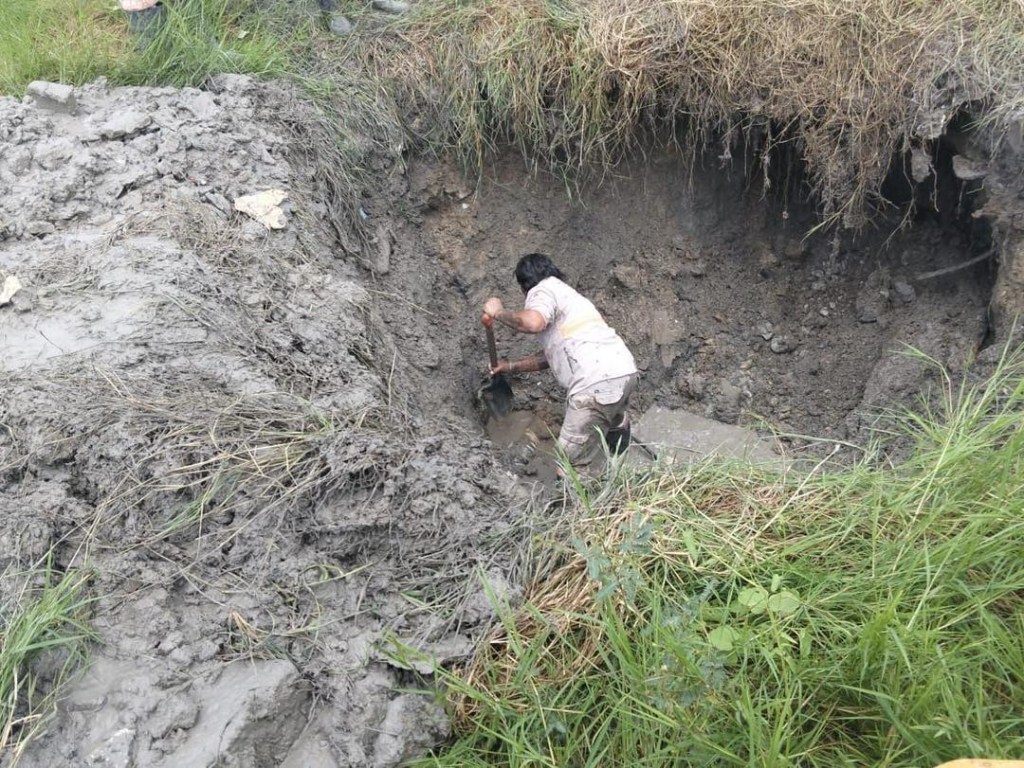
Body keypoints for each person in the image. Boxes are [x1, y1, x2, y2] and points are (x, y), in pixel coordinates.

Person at [482, 253, 639, 473]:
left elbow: (533, 322)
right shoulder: (569, 298)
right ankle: (621, 472)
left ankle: (576, 501)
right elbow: (553, 357)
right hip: (623, 372)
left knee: (568, 465)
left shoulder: (542, 290)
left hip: (594, 381)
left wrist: (497, 312)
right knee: (614, 422)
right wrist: (510, 367)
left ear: (525, 283)